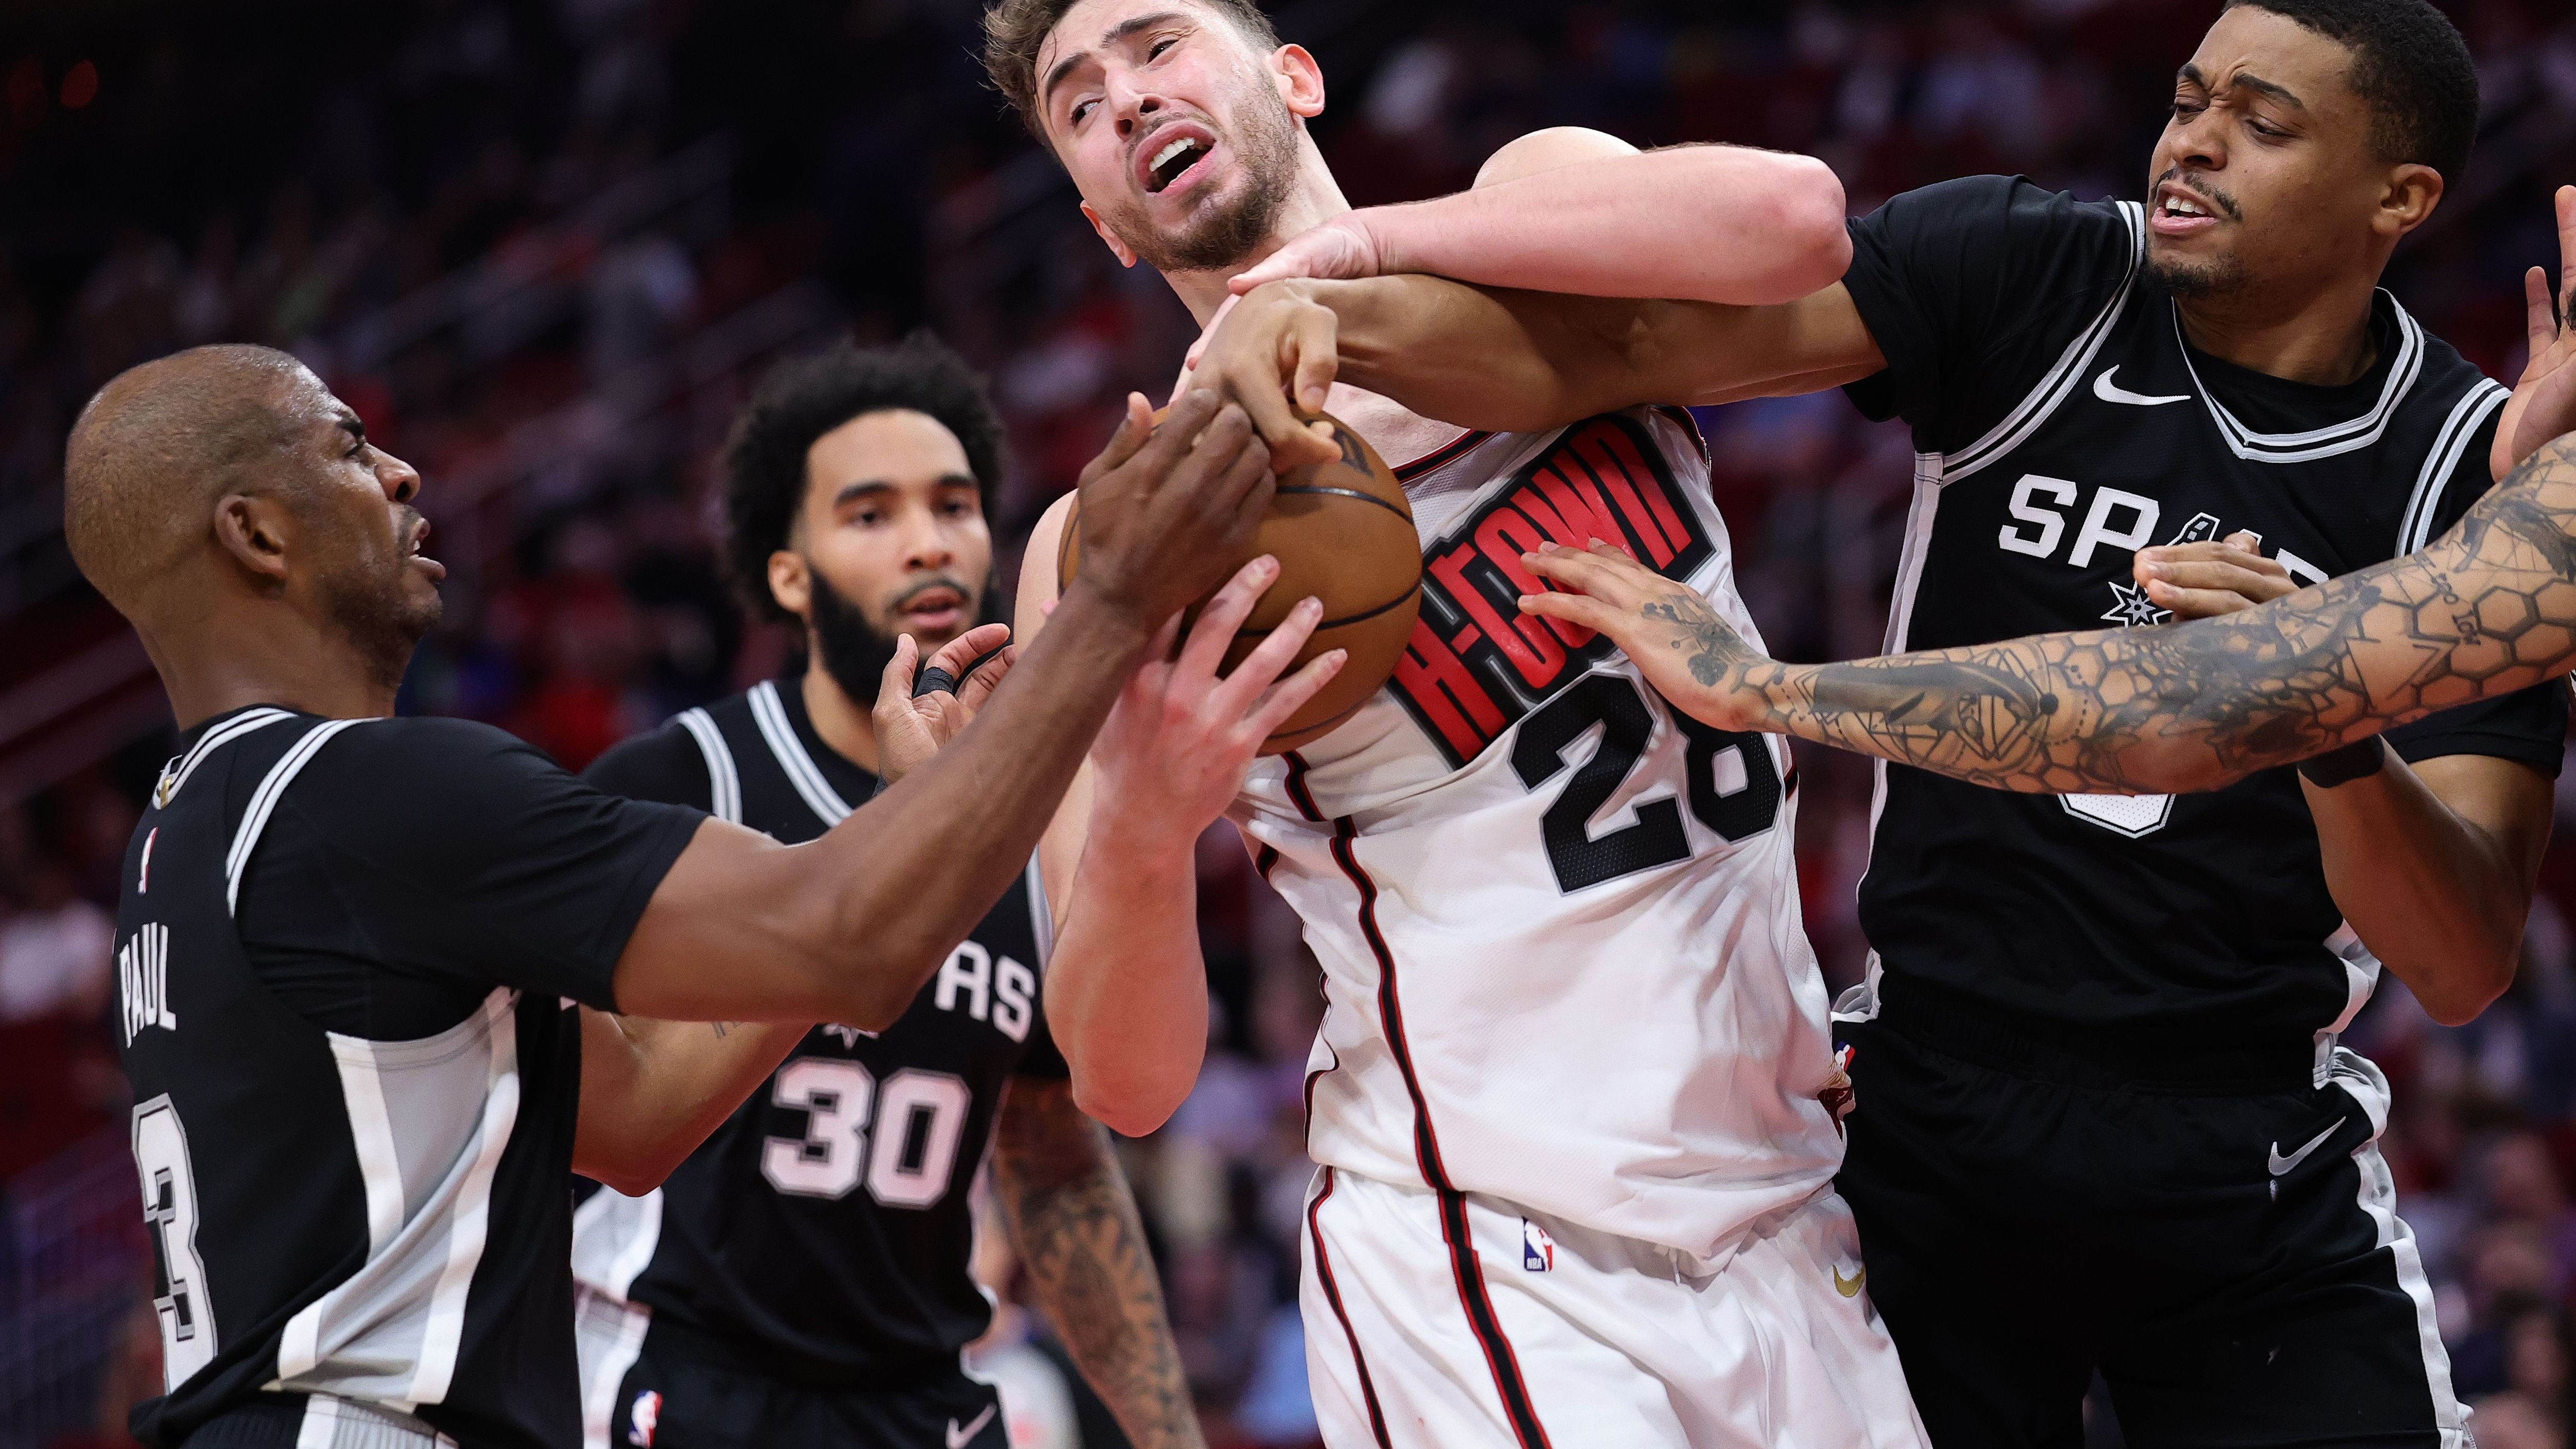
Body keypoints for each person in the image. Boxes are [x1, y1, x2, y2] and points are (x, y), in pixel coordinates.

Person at [1189, 2, 2576, 1441]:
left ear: (2397, 197)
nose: (2193, 142)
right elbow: (1623, 349)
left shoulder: (2464, 481)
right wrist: (1326, 312)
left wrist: (2322, 734)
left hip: (2245, 1153)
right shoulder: (2040, 264)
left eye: (2263, 123)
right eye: (2186, 98)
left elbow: (2461, 954)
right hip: (1930, 1114)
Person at [978, 3, 1929, 1447]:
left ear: (1291, 76)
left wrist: (1355, 260)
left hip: (1793, 1212)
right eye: (1079, 105)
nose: (1126, 101)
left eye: (1158, 45)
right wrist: (1148, 823)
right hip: (1485, 1248)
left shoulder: (1531, 213)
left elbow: (1801, 224)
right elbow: (1124, 1080)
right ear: (1103, 220)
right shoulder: (1116, 535)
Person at [65, 342, 1304, 1449]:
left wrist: (885, 820)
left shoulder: (191, 832)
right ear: (257, 534)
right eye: (347, 446)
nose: (400, 471)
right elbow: (857, 941)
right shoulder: (368, 796)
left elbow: (639, 1118)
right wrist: (1115, 599)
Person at [568, 335, 1207, 1449]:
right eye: (870, 515)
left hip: (925, 1394)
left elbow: (1051, 1157)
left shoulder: (1029, 826)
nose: (928, 542)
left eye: (955, 505)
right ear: (787, 572)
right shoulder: (679, 782)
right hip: (677, 1373)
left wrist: (1166, 1434)